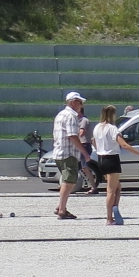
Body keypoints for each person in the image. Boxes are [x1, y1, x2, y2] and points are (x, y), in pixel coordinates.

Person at [90, 103, 139, 225]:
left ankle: (115, 207)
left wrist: (100, 149)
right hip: (112, 159)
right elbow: (124, 145)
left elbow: (93, 141)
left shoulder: (97, 127)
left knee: (117, 187)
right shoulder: (113, 129)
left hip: (101, 158)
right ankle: (109, 218)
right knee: (111, 190)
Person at [52, 91, 88, 219]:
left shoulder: (60, 114)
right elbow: (72, 135)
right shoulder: (71, 116)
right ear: (73, 102)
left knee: (68, 181)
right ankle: (62, 209)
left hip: (59, 152)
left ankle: (60, 206)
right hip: (69, 153)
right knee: (69, 181)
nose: (81, 105)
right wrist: (84, 152)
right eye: (79, 102)